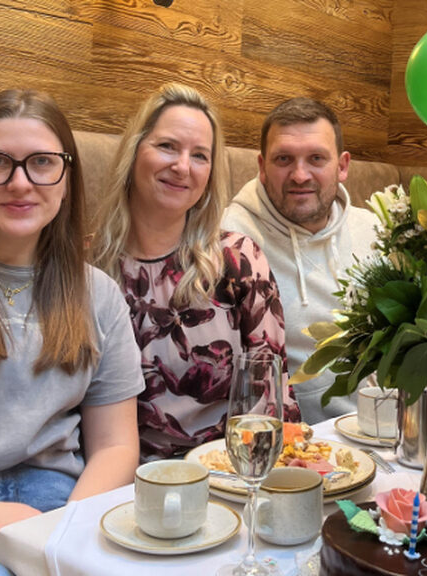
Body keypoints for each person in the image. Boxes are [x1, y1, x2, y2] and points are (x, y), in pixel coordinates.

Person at [0, 90, 144, 575]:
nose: (21, 183)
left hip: (65, 501)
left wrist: (71, 529)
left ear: (66, 179)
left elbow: (116, 446)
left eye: (42, 162)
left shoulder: (98, 294)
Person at [92, 83, 300, 461]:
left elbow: (272, 397)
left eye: (200, 155)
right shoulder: (87, 267)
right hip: (119, 485)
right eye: (167, 146)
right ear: (134, 152)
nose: (182, 167)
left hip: (229, 477)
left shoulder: (237, 260)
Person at [222, 97, 379, 423]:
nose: (300, 175)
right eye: (284, 159)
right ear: (262, 167)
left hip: (381, 433)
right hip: (294, 444)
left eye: (316, 158)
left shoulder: (377, 230)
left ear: (343, 166)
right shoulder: (229, 241)